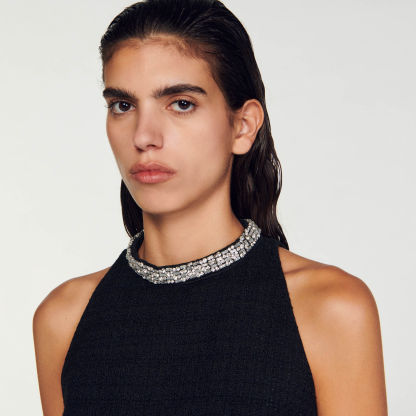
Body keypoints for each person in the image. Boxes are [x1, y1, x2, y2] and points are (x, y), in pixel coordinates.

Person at [32, 0, 388, 414]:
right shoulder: (65, 319)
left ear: (243, 126)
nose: (144, 136)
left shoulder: (331, 309)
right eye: (123, 106)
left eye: (181, 103)